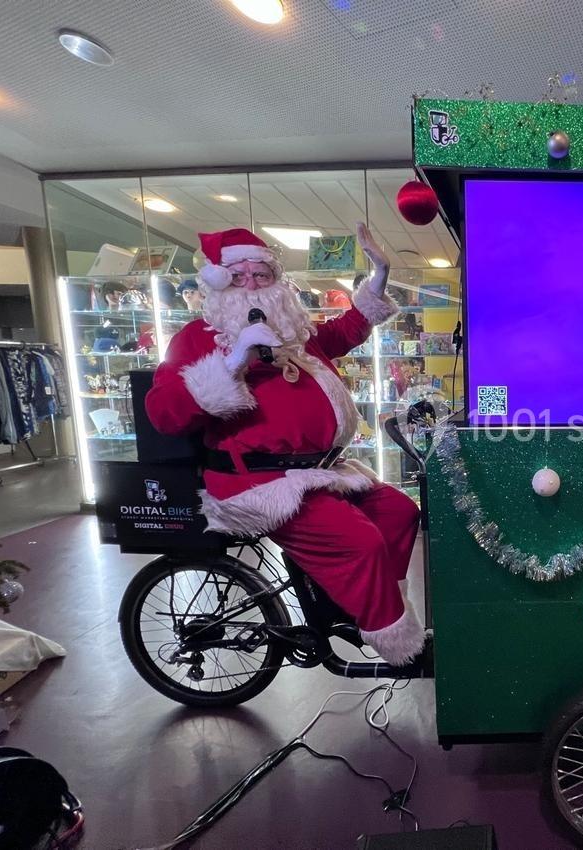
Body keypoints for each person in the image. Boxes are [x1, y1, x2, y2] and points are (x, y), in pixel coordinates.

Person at [144, 224, 425, 666]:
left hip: (319, 471)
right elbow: (163, 413)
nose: (253, 285)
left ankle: (360, 610)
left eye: (262, 275)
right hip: (256, 480)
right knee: (360, 543)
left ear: (277, 281)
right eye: (239, 277)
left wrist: (379, 278)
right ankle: (396, 645)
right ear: (220, 284)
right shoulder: (197, 339)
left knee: (399, 511)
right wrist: (234, 361)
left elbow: (341, 334)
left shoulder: (291, 331)